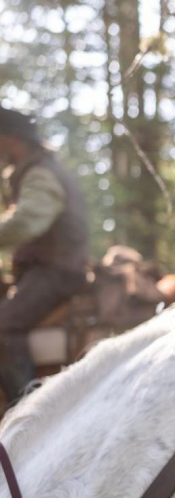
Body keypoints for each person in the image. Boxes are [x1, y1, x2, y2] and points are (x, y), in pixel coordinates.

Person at [0, 106, 89, 403]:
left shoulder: (40, 173)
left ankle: (28, 409)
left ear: (12, 139)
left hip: (56, 272)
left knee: (3, 327)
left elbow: (26, 222)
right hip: (51, 269)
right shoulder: (39, 169)